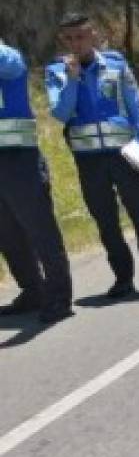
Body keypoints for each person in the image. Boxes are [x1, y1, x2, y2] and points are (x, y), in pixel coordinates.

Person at [44, 13, 139, 300]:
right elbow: (61, 113)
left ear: (93, 35)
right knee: (106, 223)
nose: (76, 43)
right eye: (69, 38)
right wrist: (73, 79)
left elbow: (136, 107)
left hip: (124, 155)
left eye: (81, 36)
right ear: (62, 40)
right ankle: (123, 280)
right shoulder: (57, 71)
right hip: (88, 160)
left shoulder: (116, 64)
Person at [0, 39, 74, 324]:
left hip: (20, 160)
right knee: (7, 234)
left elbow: (9, 63)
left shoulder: (10, 59)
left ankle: (59, 297)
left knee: (40, 230)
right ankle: (33, 291)